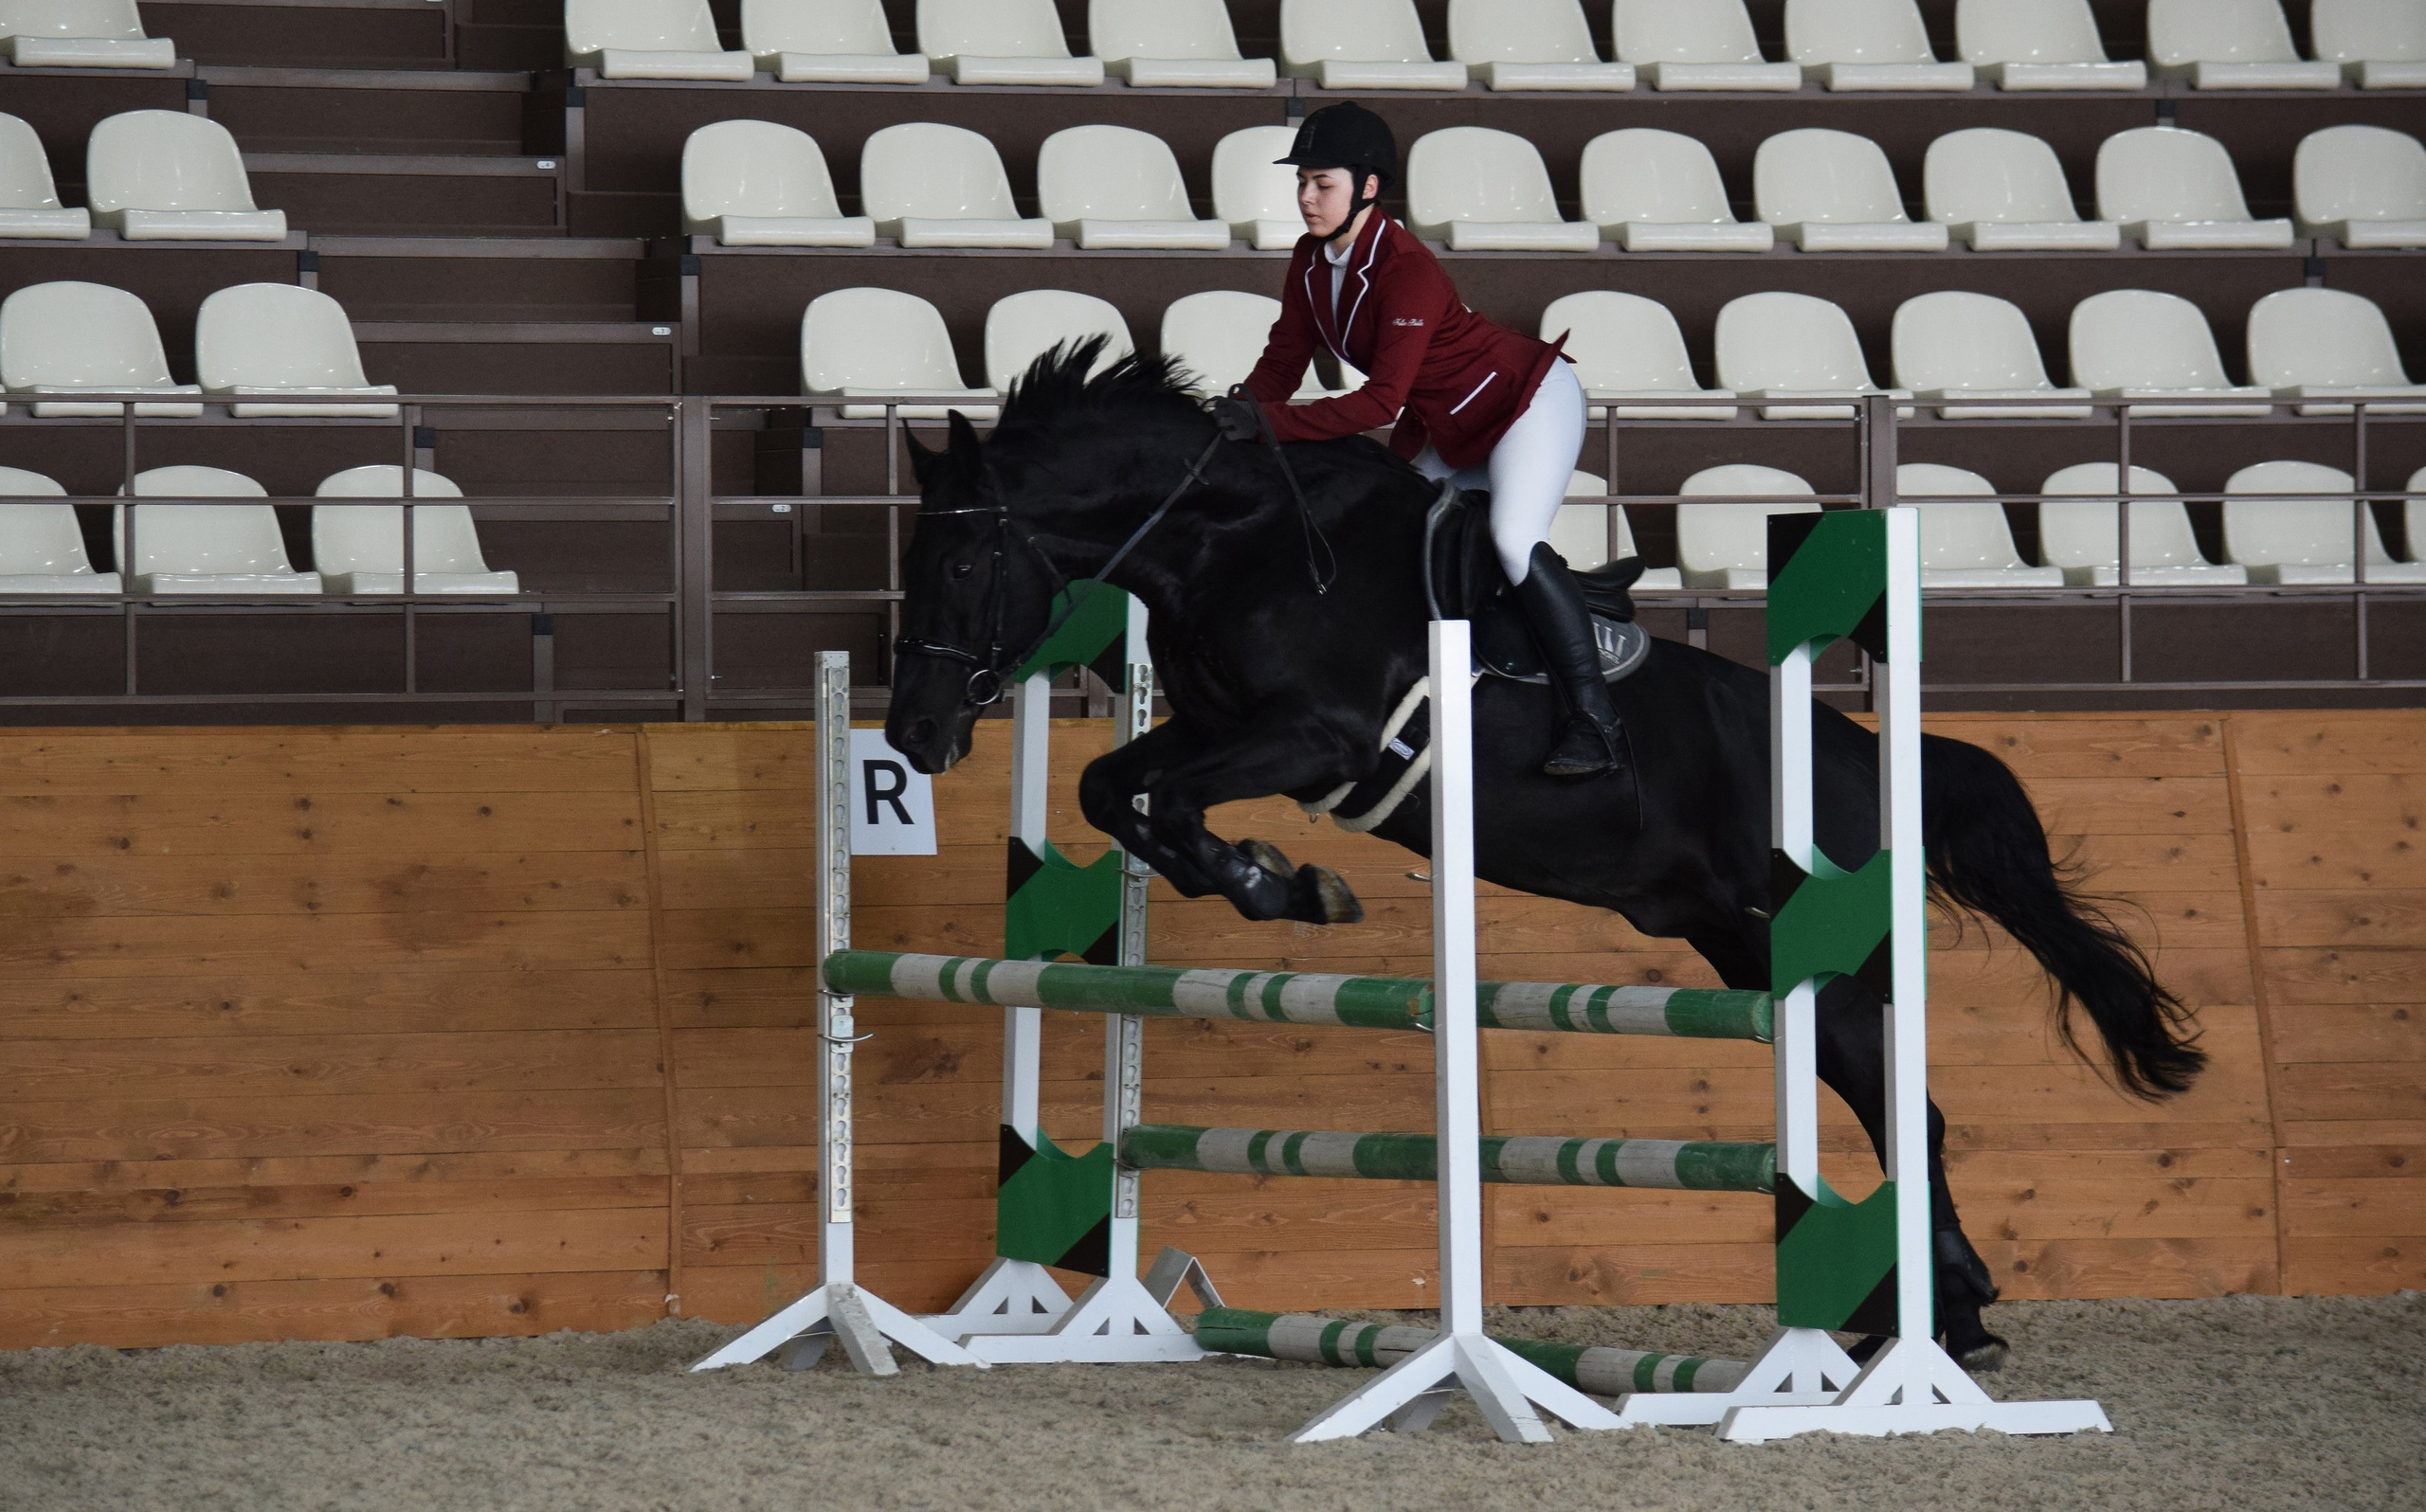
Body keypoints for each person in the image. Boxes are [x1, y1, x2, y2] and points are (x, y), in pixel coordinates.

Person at [1210, 102, 1627, 781]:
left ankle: (1596, 720)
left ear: (1369, 188)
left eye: (1324, 184)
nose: (1307, 198)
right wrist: (1236, 414)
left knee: (1513, 538)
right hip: (1451, 422)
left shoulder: (1408, 269)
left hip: (1527, 401)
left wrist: (1271, 426)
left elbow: (1379, 402)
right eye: (1302, 183)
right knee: (1392, 532)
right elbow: (1283, 361)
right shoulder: (1310, 262)